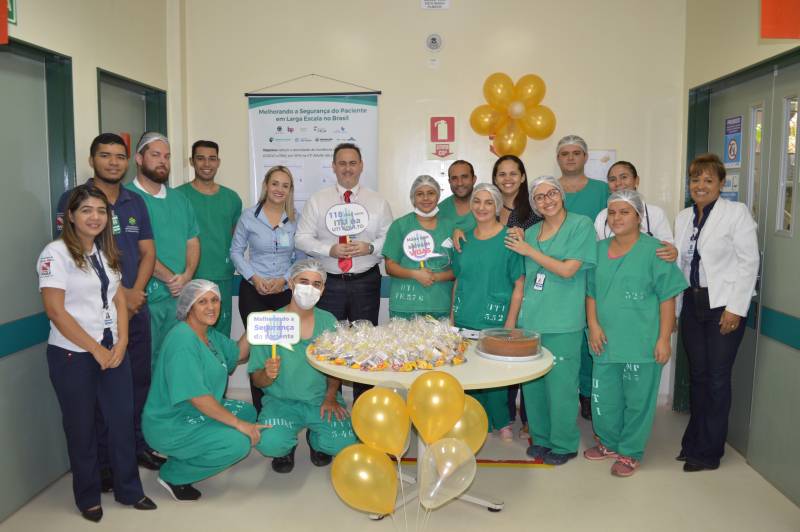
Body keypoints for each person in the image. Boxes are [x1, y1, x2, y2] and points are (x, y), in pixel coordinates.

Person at [38, 185, 156, 522]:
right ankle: (88, 496)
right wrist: (96, 349)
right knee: (83, 428)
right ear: (70, 216)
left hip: (112, 352)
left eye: (101, 211)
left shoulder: (104, 253)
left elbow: (118, 297)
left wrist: (119, 345)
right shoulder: (55, 254)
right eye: (87, 210)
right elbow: (56, 311)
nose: (95, 217)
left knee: (121, 422)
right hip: (74, 355)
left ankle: (129, 490)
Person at [56, 134, 164, 475]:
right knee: (100, 393)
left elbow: (148, 253)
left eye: (120, 156)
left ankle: (135, 448)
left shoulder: (136, 202)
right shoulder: (74, 200)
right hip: (93, 320)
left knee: (137, 383)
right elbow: (71, 256)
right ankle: (103, 464)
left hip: (135, 310)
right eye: (105, 156)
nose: (113, 162)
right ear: (92, 160)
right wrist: (120, 298)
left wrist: (133, 294)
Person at [584, 190, 687, 476]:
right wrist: (593, 325)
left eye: (624, 212)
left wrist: (664, 339)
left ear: (639, 216)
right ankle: (608, 443)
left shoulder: (656, 251)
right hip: (604, 339)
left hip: (641, 341)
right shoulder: (597, 251)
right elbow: (590, 293)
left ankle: (630, 452)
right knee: (604, 397)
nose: (617, 218)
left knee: (638, 400)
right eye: (612, 213)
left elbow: (667, 298)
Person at [674, 153, 759, 472]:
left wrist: (736, 308)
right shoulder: (683, 218)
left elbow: (749, 262)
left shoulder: (736, 214)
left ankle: (709, 452)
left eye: (708, 180)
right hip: (692, 302)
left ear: (721, 184)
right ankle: (693, 441)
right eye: (695, 179)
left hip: (723, 304)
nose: (700, 185)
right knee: (698, 376)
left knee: (717, 379)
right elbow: (680, 263)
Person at [143, 280, 265, 501]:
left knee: (247, 412)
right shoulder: (182, 340)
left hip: (193, 411)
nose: (211, 307)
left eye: (215, 300)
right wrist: (238, 425)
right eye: (202, 302)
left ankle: (190, 450)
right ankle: (173, 475)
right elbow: (198, 398)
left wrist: (257, 324)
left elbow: (238, 354)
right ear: (189, 306)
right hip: (171, 421)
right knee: (238, 443)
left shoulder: (208, 334)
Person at [505, 176, 597, 465]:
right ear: (534, 203)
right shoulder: (530, 233)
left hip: (563, 321)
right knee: (533, 387)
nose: (547, 200)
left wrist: (530, 251)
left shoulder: (580, 225)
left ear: (562, 195)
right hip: (531, 322)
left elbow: (569, 270)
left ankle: (564, 443)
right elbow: (526, 280)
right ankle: (541, 439)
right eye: (540, 196)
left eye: (552, 193)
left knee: (561, 387)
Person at [295, 142, 393, 402]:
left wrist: (370, 246)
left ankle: (365, 404)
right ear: (334, 167)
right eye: (342, 163)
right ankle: (332, 402)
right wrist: (330, 249)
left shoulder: (377, 201)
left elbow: (389, 238)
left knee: (365, 345)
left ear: (361, 166)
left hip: (366, 281)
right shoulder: (318, 200)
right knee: (330, 344)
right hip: (330, 284)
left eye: (352, 163)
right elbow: (301, 239)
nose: (347, 168)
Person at [250, 259, 357, 473]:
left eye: (316, 284)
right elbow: (256, 379)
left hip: (320, 400)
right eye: (303, 281)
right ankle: (285, 447)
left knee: (343, 445)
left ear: (323, 289)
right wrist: (267, 374)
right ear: (291, 283)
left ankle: (316, 439)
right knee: (269, 443)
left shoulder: (328, 323)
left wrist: (330, 397)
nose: (309, 288)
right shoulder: (271, 322)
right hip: (281, 402)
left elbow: (335, 368)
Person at [452, 183, 525, 441]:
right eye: (477, 201)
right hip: (465, 316)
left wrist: (510, 323)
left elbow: (519, 284)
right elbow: (458, 280)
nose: (481, 207)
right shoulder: (463, 239)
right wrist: (452, 317)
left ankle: (501, 421)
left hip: (496, 319)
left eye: (488, 202)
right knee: (468, 374)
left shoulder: (509, 239)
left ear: (497, 206)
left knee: (494, 375)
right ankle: (474, 418)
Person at [231, 165, 305, 414]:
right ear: (266, 185)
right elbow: (235, 251)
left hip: (285, 292)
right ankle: (261, 410)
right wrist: (254, 277)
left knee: (286, 350)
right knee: (258, 350)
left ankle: (283, 408)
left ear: (290, 190)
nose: (279, 189)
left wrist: (284, 279)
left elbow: (301, 257)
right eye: (275, 183)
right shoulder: (249, 216)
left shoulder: (296, 218)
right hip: (254, 292)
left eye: (285, 185)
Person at [126, 132, 200, 363]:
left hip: (179, 299)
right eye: (155, 155)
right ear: (138, 158)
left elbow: (193, 241)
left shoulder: (180, 200)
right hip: (146, 300)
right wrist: (170, 278)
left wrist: (187, 275)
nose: (162, 161)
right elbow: (137, 249)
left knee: (176, 362)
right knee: (146, 365)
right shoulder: (127, 198)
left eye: (166, 156)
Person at [555, 134, 609, 420]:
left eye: (577, 153)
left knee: (591, 334)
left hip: (591, 273)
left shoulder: (602, 190)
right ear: (558, 158)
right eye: (565, 154)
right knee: (563, 340)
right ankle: (565, 396)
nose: (571, 158)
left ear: (586, 157)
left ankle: (588, 396)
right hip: (555, 275)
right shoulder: (550, 191)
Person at [177, 140, 242, 336]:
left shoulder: (232, 199)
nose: (207, 164)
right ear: (192, 161)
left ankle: (220, 368)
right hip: (190, 276)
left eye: (212, 159)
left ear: (218, 162)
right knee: (191, 332)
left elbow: (235, 238)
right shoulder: (179, 196)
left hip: (222, 275)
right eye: (201, 158)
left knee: (220, 334)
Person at [383, 175, 455, 319]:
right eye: (420, 194)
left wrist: (435, 276)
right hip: (406, 306)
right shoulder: (400, 226)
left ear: (438, 196)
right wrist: (416, 274)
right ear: (413, 198)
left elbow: (458, 269)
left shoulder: (451, 227)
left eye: (431, 193)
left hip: (440, 304)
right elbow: (390, 266)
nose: (426, 198)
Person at [594, 161, 676, 250]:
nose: (618, 183)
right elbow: (596, 249)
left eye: (624, 177)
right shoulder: (602, 216)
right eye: (612, 179)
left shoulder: (656, 214)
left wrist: (671, 251)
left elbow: (667, 249)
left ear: (636, 180)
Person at [438, 160, 477, 232]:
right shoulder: (440, 210)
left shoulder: (488, 204)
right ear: (449, 181)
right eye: (454, 178)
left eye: (464, 177)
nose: (460, 183)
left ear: (474, 179)